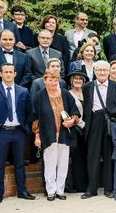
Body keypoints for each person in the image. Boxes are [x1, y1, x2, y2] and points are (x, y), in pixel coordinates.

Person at [0, 63, 35, 204]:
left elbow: (29, 112)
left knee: (20, 163)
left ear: (15, 74)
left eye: (10, 72)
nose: (8, 74)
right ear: (0, 74)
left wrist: (26, 129)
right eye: (5, 72)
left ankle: (22, 191)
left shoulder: (23, 91)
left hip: (19, 132)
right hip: (2, 132)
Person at [31, 71, 80, 201]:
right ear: (45, 80)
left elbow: (75, 111)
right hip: (48, 134)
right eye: (50, 80)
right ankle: (51, 191)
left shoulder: (66, 94)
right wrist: (37, 136)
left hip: (64, 134)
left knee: (63, 163)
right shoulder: (39, 96)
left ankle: (60, 190)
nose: (53, 83)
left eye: (56, 80)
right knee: (50, 163)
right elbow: (35, 118)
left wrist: (72, 121)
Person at [81, 60, 116, 199]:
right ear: (94, 71)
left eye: (105, 70)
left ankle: (108, 188)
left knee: (109, 156)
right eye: (99, 70)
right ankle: (91, 189)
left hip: (109, 122)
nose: (102, 72)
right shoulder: (87, 86)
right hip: (94, 121)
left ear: (109, 72)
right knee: (92, 156)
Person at [65, 70, 88, 193]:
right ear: (71, 81)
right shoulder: (69, 94)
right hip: (76, 130)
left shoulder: (87, 93)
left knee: (86, 157)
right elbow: (70, 112)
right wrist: (83, 124)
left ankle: (86, 183)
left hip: (88, 130)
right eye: (76, 78)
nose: (78, 80)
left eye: (80, 78)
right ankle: (77, 185)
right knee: (77, 158)